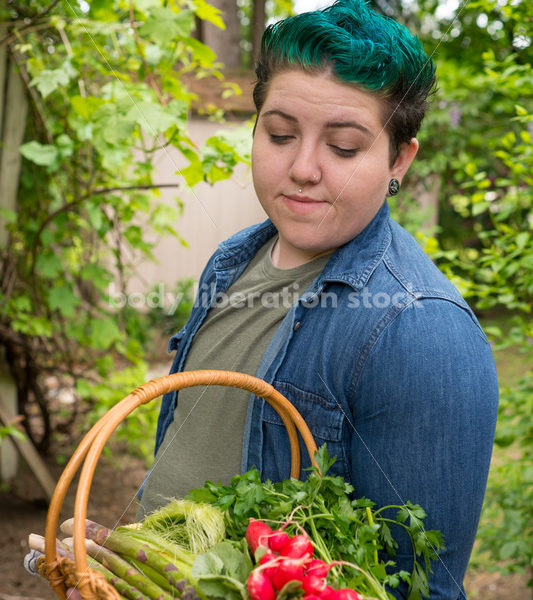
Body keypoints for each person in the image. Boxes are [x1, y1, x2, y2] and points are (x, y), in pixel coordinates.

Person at [137, 1, 499, 598]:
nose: (302, 168)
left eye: (345, 147)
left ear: (398, 160)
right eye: (280, 134)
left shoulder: (422, 331)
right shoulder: (233, 259)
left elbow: (417, 587)